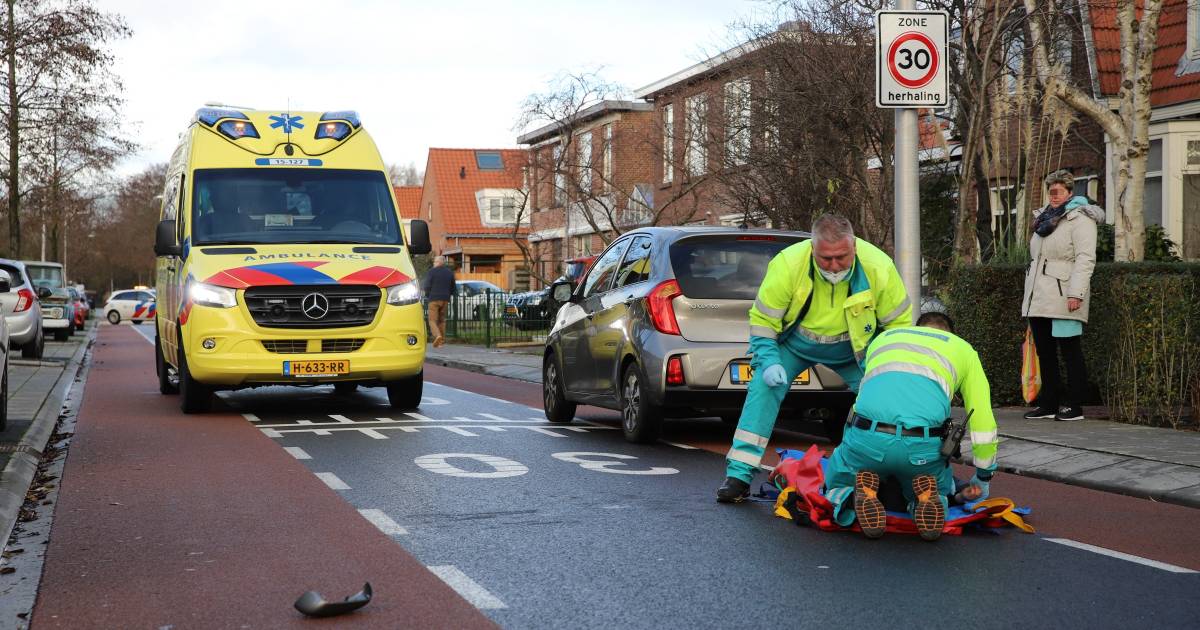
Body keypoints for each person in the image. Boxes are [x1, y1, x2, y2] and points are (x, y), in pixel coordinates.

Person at [717, 214, 913, 503]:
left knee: (885, 406)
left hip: (854, 351)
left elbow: (899, 329)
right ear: (812, 249)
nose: (834, 266)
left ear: (854, 248)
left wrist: (888, 374)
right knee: (762, 389)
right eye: (825, 259)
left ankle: (887, 475)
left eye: (841, 258)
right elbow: (762, 322)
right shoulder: (787, 265)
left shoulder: (879, 267)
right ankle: (739, 475)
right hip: (795, 346)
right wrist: (769, 362)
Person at [820, 311, 998, 541]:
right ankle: (925, 502)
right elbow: (983, 421)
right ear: (952, 334)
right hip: (921, 447)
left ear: (917, 328)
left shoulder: (883, 340)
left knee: (835, 480)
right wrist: (983, 477)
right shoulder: (963, 349)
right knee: (938, 486)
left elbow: (863, 397)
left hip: (867, 439)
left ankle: (848, 494)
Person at [1021, 170, 1103, 422]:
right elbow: (1038, 257)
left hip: (1064, 292)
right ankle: (1049, 401)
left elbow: (1085, 258)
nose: (1053, 195)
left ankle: (1074, 403)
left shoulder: (1080, 219)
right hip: (1039, 294)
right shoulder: (1043, 218)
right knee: (1044, 351)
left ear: (1070, 191)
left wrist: (1076, 293)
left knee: (1069, 349)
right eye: (1050, 190)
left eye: (1058, 191)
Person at [422, 255, 456, 348]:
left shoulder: (431, 272)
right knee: (442, 320)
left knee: (432, 320)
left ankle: (438, 336)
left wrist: (428, 295)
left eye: (435, 262)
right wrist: (448, 295)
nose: (433, 263)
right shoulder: (449, 273)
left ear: (438, 262)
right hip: (445, 299)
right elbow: (453, 287)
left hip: (434, 299)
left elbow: (427, 286)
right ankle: (441, 343)